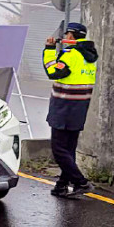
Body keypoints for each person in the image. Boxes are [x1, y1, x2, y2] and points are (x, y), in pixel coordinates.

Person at [42, 22, 98, 198]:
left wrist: (50, 50)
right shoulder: (89, 57)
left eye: (67, 35)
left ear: (72, 36)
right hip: (80, 107)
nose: (65, 38)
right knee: (69, 149)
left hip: (64, 106)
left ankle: (81, 182)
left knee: (58, 149)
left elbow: (52, 71)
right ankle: (62, 185)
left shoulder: (70, 55)